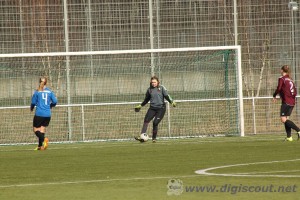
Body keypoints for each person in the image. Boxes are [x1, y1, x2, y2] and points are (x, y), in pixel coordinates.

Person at [134, 76, 176, 142]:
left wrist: (172, 102)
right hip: (152, 108)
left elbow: (167, 96)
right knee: (146, 120)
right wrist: (141, 105)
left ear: (158, 82)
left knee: (155, 123)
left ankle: (154, 138)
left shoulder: (161, 88)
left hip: (161, 108)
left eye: (155, 82)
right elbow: (146, 99)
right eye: (152, 82)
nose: (153, 83)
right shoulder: (149, 90)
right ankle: (142, 136)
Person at [273, 65, 300, 141]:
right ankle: (289, 137)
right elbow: (294, 91)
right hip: (292, 102)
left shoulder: (282, 79)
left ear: (282, 70)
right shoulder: (290, 79)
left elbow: (279, 88)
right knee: (286, 119)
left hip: (286, 101)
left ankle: (298, 130)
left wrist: (274, 95)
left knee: (283, 119)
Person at [30, 77, 57, 150]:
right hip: (47, 114)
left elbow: (33, 102)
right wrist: (50, 106)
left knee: (36, 130)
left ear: (39, 82)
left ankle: (44, 139)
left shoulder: (37, 91)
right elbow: (55, 101)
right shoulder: (49, 91)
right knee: (42, 130)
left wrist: (31, 108)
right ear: (46, 83)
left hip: (39, 114)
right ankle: (40, 146)